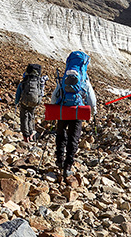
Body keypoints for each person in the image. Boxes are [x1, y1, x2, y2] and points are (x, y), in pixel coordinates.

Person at [49, 51, 96, 179]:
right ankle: (68, 166)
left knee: (61, 134)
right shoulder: (83, 78)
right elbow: (91, 98)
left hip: (63, 109)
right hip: (77, 112)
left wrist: (54, 107)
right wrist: (93, 110)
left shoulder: (64, 77)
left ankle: (59, 159)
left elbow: (55, 95)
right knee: (73, 138)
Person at [14, 64, 47, 142]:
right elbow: (41, 92)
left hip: (24, 101)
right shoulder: (38, 81)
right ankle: (31, 133)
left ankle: (26, 136)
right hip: (34, 101)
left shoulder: (24, 81)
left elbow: (18, 92)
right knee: (31, 116)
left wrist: (16, 102)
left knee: (24, 117)